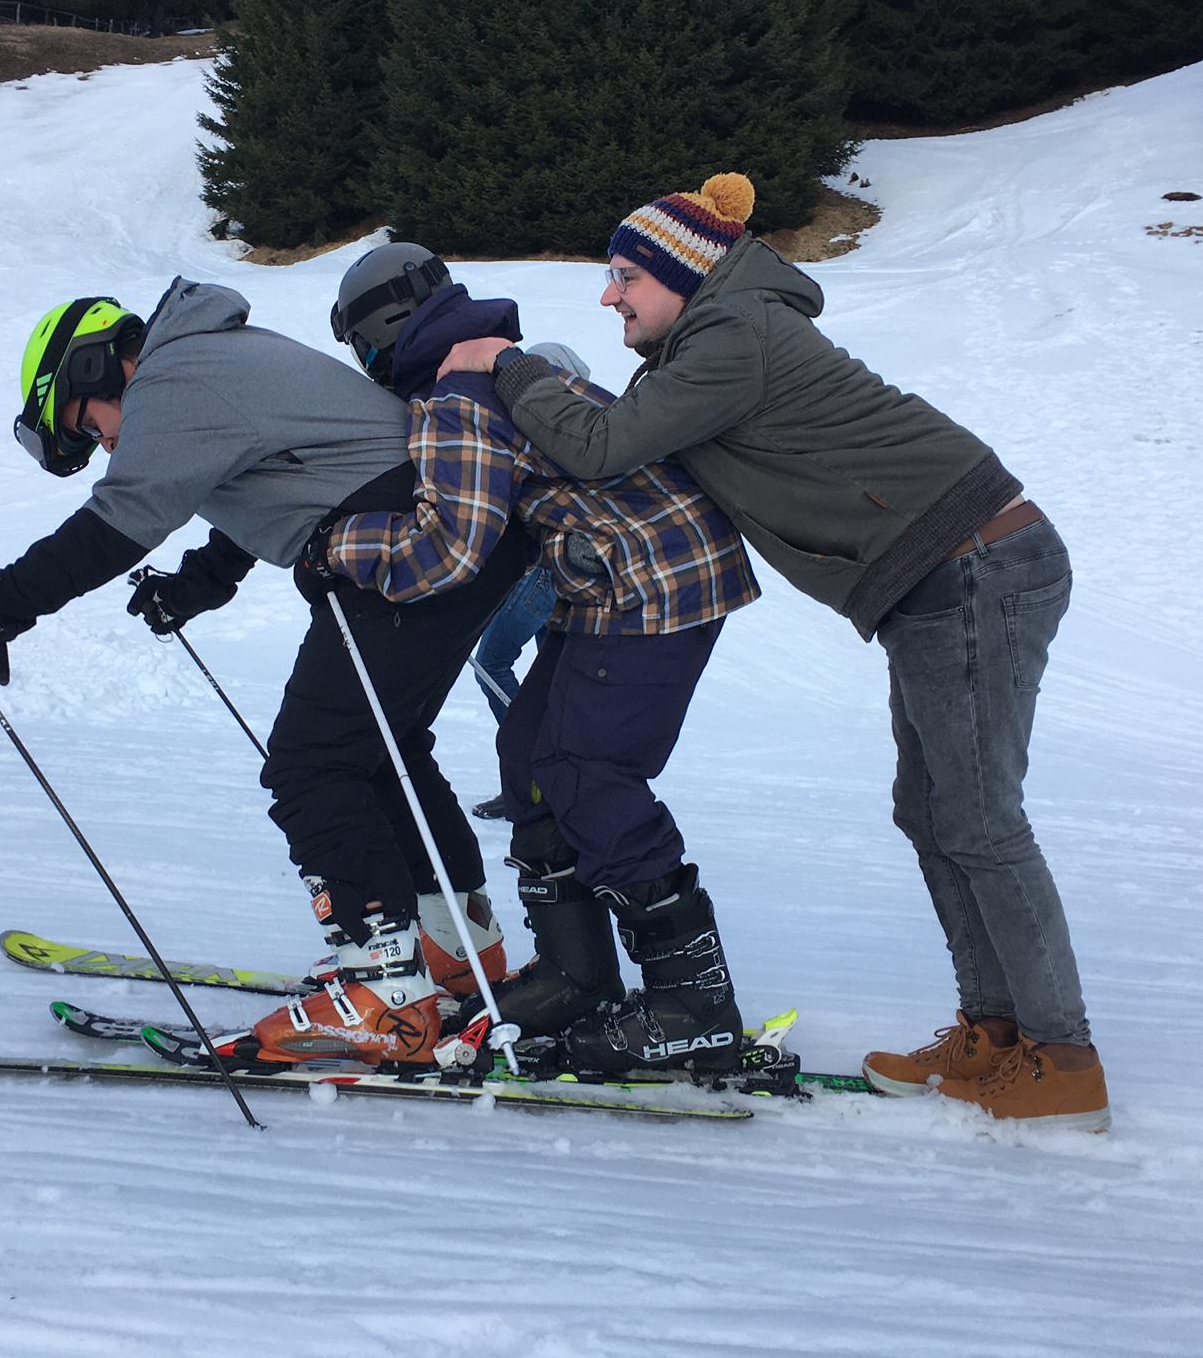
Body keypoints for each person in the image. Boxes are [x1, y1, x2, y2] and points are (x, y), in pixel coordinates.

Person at [438, 173, 1107, 1128]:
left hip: (975, 565)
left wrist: (507, 367)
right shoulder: (710, 340)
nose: (608, 295)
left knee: (979, 818)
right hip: (933, 578)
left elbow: (602, 445)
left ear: (679, 272)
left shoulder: (732, 337)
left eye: (624, 274)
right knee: (930, 810)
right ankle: (995, 1032)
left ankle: (1064, 1055)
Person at [0, 283, 523, 1070]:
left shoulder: (172, 377)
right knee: (381, 752)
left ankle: (383, 992)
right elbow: (276, 474)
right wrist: (199, 582)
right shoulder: (208, 364)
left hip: (407, 540)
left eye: (87, 425)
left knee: (313, 764)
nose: (103, 446)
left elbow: (116, 524)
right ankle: (453, 952)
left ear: (97, 368)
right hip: (449, 531)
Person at [314, 242, 760, 1074]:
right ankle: (576, 974)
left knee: (588, 772)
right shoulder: (490, 364)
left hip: (650, 587)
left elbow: (445, 551)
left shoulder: (456, 395)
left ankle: (691, 1003)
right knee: (527, 755)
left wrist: (337, 544)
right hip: (631, 578)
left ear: (378, 334)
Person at [465, 341, 591, 821]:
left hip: (542, 573)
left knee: (490, 663)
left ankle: (530, 771)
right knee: (550, 681)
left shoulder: (549, 437)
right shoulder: (577, 433)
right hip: (553, 571)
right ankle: (547, 780)